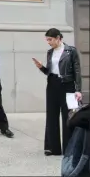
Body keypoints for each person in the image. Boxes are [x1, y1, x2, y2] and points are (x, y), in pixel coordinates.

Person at [32, 28, 83, 156]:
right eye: (47, 40)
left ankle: (69, 148)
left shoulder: (71, 51)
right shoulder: (50, 52)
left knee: (68, 117)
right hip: (52, 84)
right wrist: (41, 67)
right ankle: (52, 148)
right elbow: (49, 71)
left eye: (50, 39)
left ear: (58, 38)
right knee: (52, 115)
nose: (48, 42)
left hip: (68, 85)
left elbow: (77, 71)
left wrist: (78, 90)